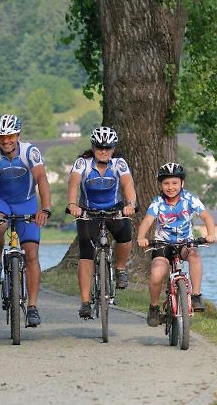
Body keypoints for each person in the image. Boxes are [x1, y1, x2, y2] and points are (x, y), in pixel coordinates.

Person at [0, 114, 51, 327]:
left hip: (26, 203)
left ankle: (33, 307)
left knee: (32, 254)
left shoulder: (30, 152)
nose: (5, 141)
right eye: (1, 137)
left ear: (17, 134)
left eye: (9, 136)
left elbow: (41, 179)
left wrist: (44, 208)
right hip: (1, 202)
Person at [67, 126, 137, 318]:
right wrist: (73, 205)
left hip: (114, 208)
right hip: (88, 210)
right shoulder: (83, 163)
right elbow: (73, 182)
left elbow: (128, 184)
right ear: (93, 147)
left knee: (125, 234)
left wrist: (130, 204)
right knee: (87, 253)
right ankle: (85, 302)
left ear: (113, 148)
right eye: (99, 147)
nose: (103, 151)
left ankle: (121, 268)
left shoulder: (118, 163)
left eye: (107, 147)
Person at [137, 162, 215, 327]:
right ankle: (153, 307)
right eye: (166, 183)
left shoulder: (189, 199)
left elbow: (207, 217)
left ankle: (195, 296)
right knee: (157, 273)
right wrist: (141, 237)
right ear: (161, 185)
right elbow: (147, 221)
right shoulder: (158, 202)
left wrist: (210, 234)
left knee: (194, 255)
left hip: (185, 243)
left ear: (182, 183)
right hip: (162, 245)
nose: (170, 187)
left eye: (174, 183)